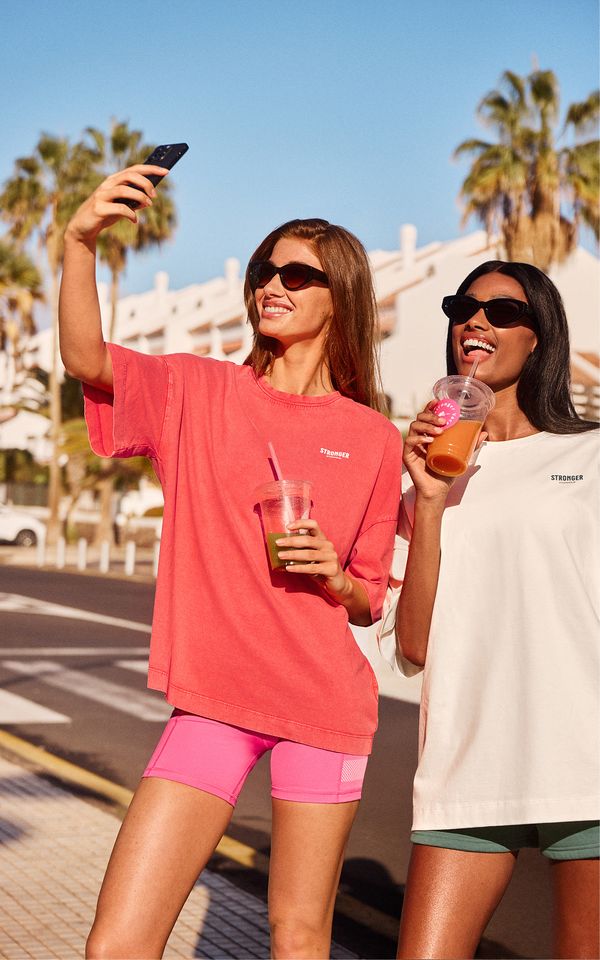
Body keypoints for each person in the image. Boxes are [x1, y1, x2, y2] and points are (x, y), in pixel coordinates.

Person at [59, 163, 402, 959]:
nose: (271, 285)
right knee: (118, 944)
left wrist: (334, 574)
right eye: (263, 270)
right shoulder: (196, 390)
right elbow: (87, 359)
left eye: (295, 273)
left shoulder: (374, 437)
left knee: (298, 935)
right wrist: (80, 241)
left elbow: (370, 596)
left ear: (338, 296)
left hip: (324, 709)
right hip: (214, 703)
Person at [378, 260, 599, 959]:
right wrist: (432, 501)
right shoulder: (423, 482)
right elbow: (413, 648)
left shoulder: (589, 457)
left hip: (585, 762)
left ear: (539, 338)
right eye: (463, 307)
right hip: (464, 763)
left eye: (503, 312)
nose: (476, 321)